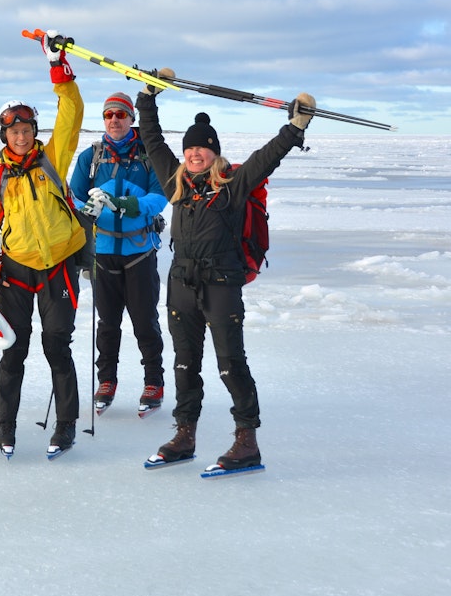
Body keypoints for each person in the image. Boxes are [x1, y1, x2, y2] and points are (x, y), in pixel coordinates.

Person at [135, 67, 316, 470]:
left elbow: (265, 159)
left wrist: (295, 127)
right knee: (184, 363)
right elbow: (151, 138)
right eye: (190, 149)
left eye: (203, 149)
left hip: (221, 284)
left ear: (215, 152)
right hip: (181, 282)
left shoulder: (233, 187)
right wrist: (147, 98)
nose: (195, 154)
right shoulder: (174, 183)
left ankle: (246, 441)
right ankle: (185, 435)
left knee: (230, 363)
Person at [0, 31, 85, 458]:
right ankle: (6, 430)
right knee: (13, 351)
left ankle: (66, 426)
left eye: (27, 129)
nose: (21, 136)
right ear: (3, 135)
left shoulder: (51, 159)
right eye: (14, 131)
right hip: (16, 272)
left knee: (57, 346)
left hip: (58, 265)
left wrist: (58, 69)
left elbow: (72, 112)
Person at [70, 92, 168, 416]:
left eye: (121, 115)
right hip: (103, 252)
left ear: (131, 119)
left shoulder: (147, 156)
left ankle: (154, 381)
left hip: (139, 251)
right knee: (107, 324)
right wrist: (89, 209)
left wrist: (130, 205)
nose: (114, 120)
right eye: (109, 115)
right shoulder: (91, 157)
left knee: (145, 322)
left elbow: (161, 196)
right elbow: (74, 199)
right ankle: (106, 381)